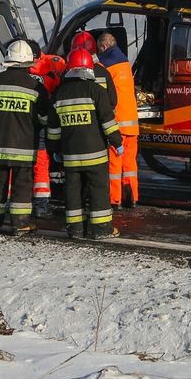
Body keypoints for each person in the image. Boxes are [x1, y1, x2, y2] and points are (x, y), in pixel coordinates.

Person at [47, 47, 122, 239]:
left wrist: (55, 151)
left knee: (72, 191)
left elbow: (53, 130)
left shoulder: (59, 94)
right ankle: (102, 229)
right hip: (95, 155)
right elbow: (107, 121)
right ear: (89, 69)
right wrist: (117, 142)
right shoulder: (96, 91)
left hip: (70, 156)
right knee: (98, 190)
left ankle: (75, 229)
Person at [0, 39, 49, 234]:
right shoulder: (35, 87)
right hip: (24, 149)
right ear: (27, 63)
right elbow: (44, 118)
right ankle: (20, 224)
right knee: (22, 187)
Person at [97, 30, 140, 209]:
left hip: (118, 123)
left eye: (99, 49)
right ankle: (132, 198)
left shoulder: (105, 66)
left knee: (115, 164)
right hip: (132, 123)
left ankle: (115, 200)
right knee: (130, 163)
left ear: (104, 46)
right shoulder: (125, 63)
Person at [26, 39, 66, 218]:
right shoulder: (53, 65)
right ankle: (40, 205)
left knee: (36, 163)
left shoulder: (22, 71)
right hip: (41, 122)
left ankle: (33, 203)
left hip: (28, 124)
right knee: (41, 163)